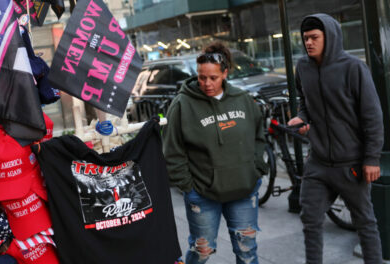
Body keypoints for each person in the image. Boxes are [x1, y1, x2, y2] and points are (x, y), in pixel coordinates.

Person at [288, 13, 384, 264]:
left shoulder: (353, 68)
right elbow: (304, 101)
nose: (308, 43)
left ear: (329, 37)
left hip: (351, 164)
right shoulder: (303, 67)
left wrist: (371, 158)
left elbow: (372, 116)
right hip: (318, 163)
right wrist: (302, 118)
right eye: (305, 38)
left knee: (365, 222)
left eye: (314, 37)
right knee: (310, 220)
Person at [162, 42, 266, 264]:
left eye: (213, 78)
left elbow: (259, 135)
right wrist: (188, 188)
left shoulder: (243, 100)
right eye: (201, 77)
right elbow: (172, 150)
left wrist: (257, 168)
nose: (207, 84)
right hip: (203, 194)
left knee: (247, 252)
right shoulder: (182, 105)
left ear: (225, 73)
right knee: (202, 252)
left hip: (244, 191)